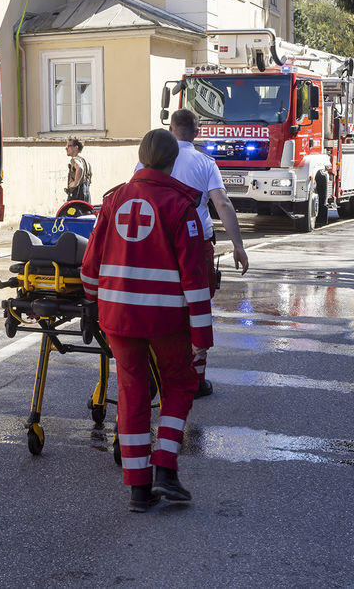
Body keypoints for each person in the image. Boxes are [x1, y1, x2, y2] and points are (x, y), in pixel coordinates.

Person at [81, 128, 214, 512]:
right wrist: (201, 336)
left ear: (141, 159)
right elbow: (195, 279)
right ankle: (166, 469)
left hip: (118, 317)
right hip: (165, 319)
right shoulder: (181, 205)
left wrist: (92, 303)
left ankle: (139, 490)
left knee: (132, 394)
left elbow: (90, 266)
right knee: (180, 385)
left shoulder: (114, 200)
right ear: (173, 163)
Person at [135, 108, 249, 398]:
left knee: (158, 307)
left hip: (156, 245)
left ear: (170, 130)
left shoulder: (145, 162)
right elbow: (222, 203)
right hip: (196, 245)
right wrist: (238, 246)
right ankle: (196, 379)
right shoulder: (205, 163)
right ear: (197, 132)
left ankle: (155, 372)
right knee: (196, 308)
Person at [65, 137, 92, 203]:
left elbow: (80, 168)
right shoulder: (85, 161)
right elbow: (90, 174)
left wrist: (75, 183)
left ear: (76, 148)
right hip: (86, 192)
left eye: (69, 146)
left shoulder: (74, 159)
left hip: (77, 193)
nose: (66, 148)